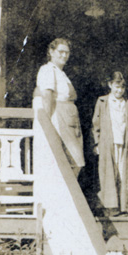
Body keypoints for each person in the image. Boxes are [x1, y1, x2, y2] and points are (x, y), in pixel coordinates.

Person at [92, 71, 128, 216]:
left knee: (123, 172)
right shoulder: (102, 102)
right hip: (108, 143)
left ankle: (125, 207)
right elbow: (96, 124)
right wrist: (96, 143)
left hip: (125, 143)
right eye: (116, 87)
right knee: (108, 173)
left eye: (122, 88)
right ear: (110, 85)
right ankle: (110, 206)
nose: (119, 91)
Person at [36, 38, 84, 176]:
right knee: (71, 159)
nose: (64, 56)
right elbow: (47, 96)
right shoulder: (47, 70)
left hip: (70, 120)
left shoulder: (61, 73)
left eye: (67, 53)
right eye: (61, 52)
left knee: (76, 161)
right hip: (60, 118)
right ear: (51, 51)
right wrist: (47, 124)